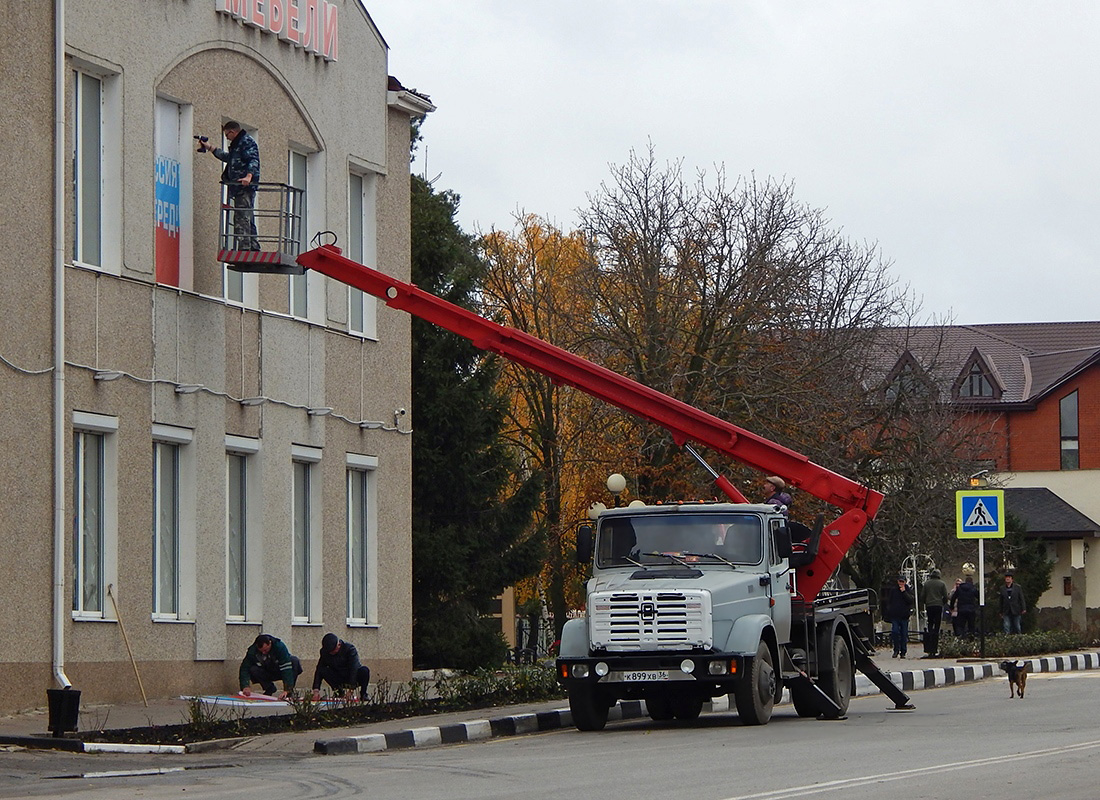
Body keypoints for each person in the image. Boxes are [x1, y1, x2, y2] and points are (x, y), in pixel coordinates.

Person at [202, 120, 260, 250]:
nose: (227, 138)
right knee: (246, 215)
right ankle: (252, 245)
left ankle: (245, 246)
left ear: (232, 132)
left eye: (227, 135)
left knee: (242, 215)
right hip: (239, 185)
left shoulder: (245, 142)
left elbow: (253, 160)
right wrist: (210, 148)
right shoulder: (238, 144)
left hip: (244, 186)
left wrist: (248, 177)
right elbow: (229, 158)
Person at [311, 633, 372, 701]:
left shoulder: (350, 649)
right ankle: (339, 692)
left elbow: (354, 669)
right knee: (323, 670)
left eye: (333, 651)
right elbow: (319, 669)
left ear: (339, 645)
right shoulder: (324, 652)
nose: (331, 654)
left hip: (352, 676)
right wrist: (316, 690)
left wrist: (351, 690)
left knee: (365, 671)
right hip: (338, 676)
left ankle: (363, 694)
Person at [239, 634, 302, 698]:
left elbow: (286, 668)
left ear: (270, 643)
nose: (263, 653)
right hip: (266, 671)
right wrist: (245, 686)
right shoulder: (252, 651)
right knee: (253, 669)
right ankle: (269, 688)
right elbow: (244, 668)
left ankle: (289, 693)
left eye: (265, 650)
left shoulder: (280, 647)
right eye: (261, 651)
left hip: (279, 670)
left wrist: (287, 689)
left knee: (294, 661)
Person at [883, 574, 915, 658]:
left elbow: (910, 600)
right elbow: (889, 601)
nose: (901, 583)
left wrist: (904, 592)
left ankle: (903, 651)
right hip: (895, 616)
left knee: (904, 634)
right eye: (900, 581)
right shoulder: (893, 590)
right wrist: (889, 611)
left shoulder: (908, 589)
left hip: (904, 616)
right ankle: (896, 650)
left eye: (902, 582)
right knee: (895, 632)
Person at [920, 569, 949, 657]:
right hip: (938, 605)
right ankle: (935, 639)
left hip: (929, 605)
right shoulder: (942, 583)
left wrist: (926, 602)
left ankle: (930, 636)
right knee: (937, 623)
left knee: (930, 622)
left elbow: (922, 596)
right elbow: (945, 596)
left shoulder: (927, 584)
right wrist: (942, 603)